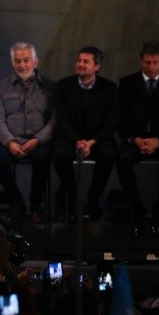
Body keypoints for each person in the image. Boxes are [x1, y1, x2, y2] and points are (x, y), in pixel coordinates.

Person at [116, 41, 159, 237]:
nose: (151, 67)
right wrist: (134, 138)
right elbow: (120, 117)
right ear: (141, 61)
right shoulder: (127, 83)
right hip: (136, 140)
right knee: (122, 159)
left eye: (155, 63)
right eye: (147, 62)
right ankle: (137, 209)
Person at [0, 43, 56, 225]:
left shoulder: (49, 86)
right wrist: (10, 142)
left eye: (26, 60)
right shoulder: (3, 86)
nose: (22, 65)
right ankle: (16, 203)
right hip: (12, 139)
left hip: (38, 141)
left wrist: (38, 139)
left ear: (35, 61)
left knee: (42, 158)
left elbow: (54, 119)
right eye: (17, 61)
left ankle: (36, 204)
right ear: (13, 64)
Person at [52, 46, 118, 218]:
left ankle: (94, 196)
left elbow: (111, 122)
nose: (80, 64)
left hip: (97, 140)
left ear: (97, 66)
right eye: (79, 60)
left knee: (109, 153)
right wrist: (76, 141)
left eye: (85, 61)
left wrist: (92, 142)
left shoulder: (109, 88)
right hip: (70, 138)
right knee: (59, 153)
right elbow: (62, 119)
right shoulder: (63, 86)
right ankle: (72, 195)